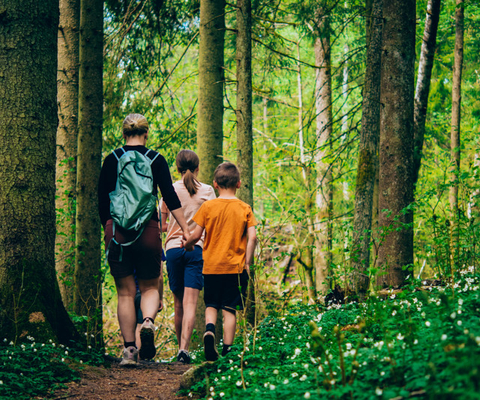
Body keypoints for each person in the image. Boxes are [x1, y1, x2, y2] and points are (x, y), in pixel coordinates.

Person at [98, 113, 190, 366]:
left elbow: (101, 199)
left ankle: (129, 351)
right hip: (149, 230)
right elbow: (169, 197)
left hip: (117, 232)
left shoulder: (112, 159)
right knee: (149, 287)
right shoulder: (156, 159)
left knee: (125, 293)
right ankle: (147, 321)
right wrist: (186, 229)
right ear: (146, 133)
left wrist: (109, 228)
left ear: (123, 132)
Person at [182, 162, 257, 361]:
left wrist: (187, 243)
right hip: (235, 268)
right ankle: (228, 350)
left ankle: (209, 331)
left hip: (211, 266)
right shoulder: (244, 208)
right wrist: (248, 262)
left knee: (211, 304)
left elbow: (196, 235)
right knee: (229, 309)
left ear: (215, 184)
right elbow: (253, 237)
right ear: (239, 184)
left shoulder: (208, 206)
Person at [160, 150, 216, 364]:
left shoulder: (170, 189)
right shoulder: (208, 191)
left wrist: (174, 227)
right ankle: (185, 349)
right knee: (190, 302)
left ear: (177, 168)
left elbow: (163, 224)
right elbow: (211, 224)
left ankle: (179, 350)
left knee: (178, 303)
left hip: (173, 250)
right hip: (196, 251)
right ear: (198, 168)